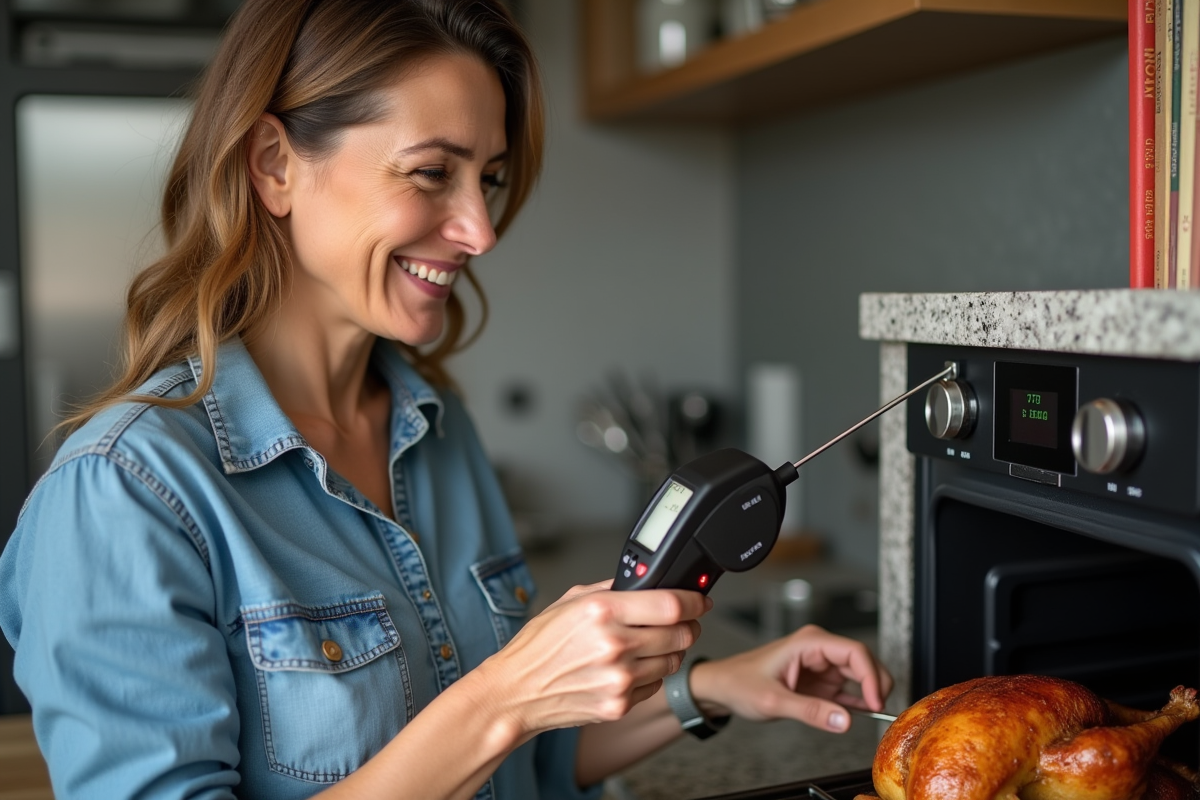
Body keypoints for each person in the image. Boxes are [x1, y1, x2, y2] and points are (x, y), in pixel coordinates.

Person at [0, 1, 893, 798]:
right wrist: (504, 697)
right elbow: (495, 724)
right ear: (274, 165)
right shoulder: (124, 494)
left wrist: (705, 688)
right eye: (432, 173)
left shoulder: (437, 430)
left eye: (489, 178)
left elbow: (518, 765)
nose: (480, 229)